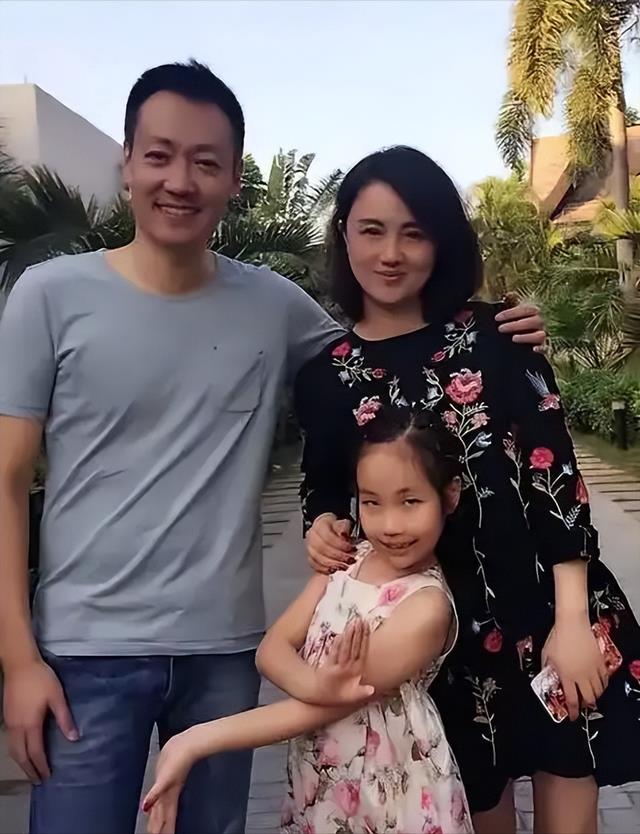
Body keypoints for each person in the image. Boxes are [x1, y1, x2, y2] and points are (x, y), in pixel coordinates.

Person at [0, 59, 544, 833]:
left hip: (225, 650)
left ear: (234, 180)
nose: (179, 180)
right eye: (158, 155)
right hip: (83, 654)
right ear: (127, 164)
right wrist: (18, 661)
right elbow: (6, 481)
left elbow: (390, 354)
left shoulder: (272, 304)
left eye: (205, 162)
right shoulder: (49, 296)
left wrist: (500, 330)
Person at [296, 146, 640, 834]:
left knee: (570, 794)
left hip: (548, 612)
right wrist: (322, 527)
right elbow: (326, 492)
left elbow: (555, 476)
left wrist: (572, 621)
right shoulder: (325, 378)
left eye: (414, 232)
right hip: (436, 638)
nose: (391, 253)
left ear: (442, 242)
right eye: (371, 230)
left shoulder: (499, 336)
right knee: (478, 809)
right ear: (343, 235)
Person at [142, 408, 473, 834]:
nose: (390, 525)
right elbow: (271, 650)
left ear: (450, 495)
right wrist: (319, 686)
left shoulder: (425, 607)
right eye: (371, 502)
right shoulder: (349, 560)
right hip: (322, 784)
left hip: (390, 796)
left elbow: (315, 710)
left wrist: (193, 741)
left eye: (410, 502)